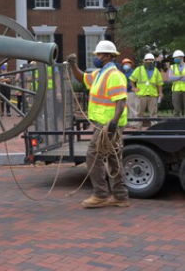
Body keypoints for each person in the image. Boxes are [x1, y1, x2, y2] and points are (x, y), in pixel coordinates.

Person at [67, 40, 129, 208]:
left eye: (99, 54)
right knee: (113, 158)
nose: (96, 57)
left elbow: (121, 102)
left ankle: (101, 194)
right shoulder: (100, 73)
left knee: (93, 155)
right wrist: (73, 65)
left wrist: (113, 123)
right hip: (105, 124)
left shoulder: (114, 75)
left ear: (108, 56)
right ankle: (120, 196)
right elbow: (82, 78)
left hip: (107, 125)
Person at [130, 53, 163, 125]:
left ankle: (154, 128)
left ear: (153, 61)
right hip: (141, 94)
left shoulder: (156, 71)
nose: (149, 61)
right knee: (139, 113)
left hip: (153, 94)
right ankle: (138, 128)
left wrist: (160, 93)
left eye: (151, 60)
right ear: (144, 61)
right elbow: (132, 79)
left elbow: (159, 83)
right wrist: (134, 87)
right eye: (147, 60)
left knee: (153, 113)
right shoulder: (138, 69)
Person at [121, 58, 140, 128]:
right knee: (127, 108)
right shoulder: (123, 73)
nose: (126, 65)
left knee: (133, 108)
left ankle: (135, 123)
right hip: (125, 92)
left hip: (131, 92)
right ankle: (129, 123)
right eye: (124, 64)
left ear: (130, 65)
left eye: (127, 63)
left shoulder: (133, 72)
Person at [169, 50, 185, 117]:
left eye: (176, 58)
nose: (175, 59)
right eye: (174, 58)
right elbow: (171, 78)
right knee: (176, 110)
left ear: (181, 57)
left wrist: (176, 78)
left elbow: (174, 78)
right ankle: (175, 125)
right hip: (176, 91)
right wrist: (181, 76)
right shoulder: (172, 67)